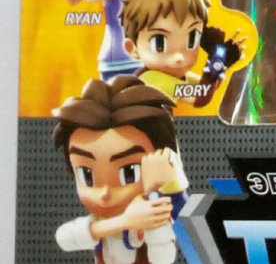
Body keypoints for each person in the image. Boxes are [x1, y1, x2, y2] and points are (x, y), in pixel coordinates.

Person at [53, 75, 188, 264]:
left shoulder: (151, 216)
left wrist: (152, 192)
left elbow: (163, 258)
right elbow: (64, 238)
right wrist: (126, 221)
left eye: (129, 173)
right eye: (86, 175)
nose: (105, 193)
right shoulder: (99, 223)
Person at [121, 0, 245, 106]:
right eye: (159, 43)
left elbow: (207, 87)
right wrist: (217, 57)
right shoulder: (154, 79)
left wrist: (222, 61)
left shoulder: (166, 75)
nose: (179, 57)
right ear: (133, 48)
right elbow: (200, 96)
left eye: (192, 39)